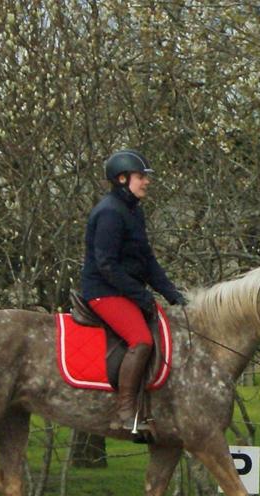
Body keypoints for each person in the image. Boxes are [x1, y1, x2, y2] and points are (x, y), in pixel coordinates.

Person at [81, 149, 187, 431]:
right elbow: (106, 265)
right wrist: (141, 296)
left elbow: (147, 261)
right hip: (104, 291)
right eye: (141, 177)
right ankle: (125, 411)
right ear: (122, 178)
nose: (146, 182)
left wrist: (172, 293)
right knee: (142, 340)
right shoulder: (109, 213)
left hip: (123, 290)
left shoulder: (132, 212)